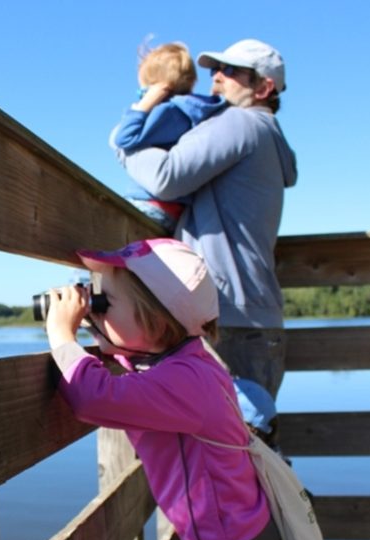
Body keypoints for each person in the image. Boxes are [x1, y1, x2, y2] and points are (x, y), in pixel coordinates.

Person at [45, 238, 279, 540]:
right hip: (240, 538)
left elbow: (91, 399)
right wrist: (108, 335)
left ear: (155, 321)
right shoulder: (192, 361)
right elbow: (142, 368)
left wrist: (61, 336)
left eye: (105, 303)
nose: (94, 309)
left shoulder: (183, 382)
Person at [113, 39, 297, 399]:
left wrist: (124, 144)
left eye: (230, 71)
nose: (216, 78)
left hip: (226, 318)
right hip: (256, 318)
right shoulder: (269, 137)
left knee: (224, 435)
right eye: (215, 70)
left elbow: (164, 177)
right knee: (251, 433)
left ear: (263, 88)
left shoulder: (240, 123)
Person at [112, 42, 227, 232]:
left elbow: (123, 138)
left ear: (160, 89)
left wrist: (143, 105)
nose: (142, 97)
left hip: (149, 205)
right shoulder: (193, 114)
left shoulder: (171, 113)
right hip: (174, 211)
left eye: (143, 91)